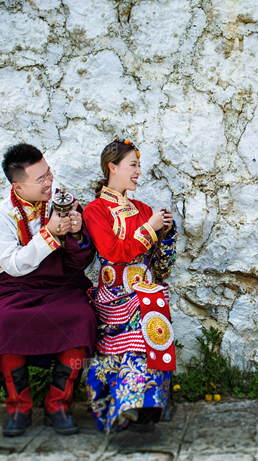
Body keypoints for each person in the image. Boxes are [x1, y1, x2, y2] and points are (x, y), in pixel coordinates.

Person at [0, 144, 96, 436]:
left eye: (49, 173)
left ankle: (58, 405)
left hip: (62, 286)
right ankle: (19, 406)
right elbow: (14, 266)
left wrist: (77, 233)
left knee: (82, 316)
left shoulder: (63, 204)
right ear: (18, 185)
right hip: (16, 289)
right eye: (40, 179)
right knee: (4, 322)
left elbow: (82, 260)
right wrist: (49, 233)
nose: (49, 182)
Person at [83, 139, 177, 433]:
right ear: (113, 167)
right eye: (133, 165)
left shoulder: (143, 208)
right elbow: (114, 252)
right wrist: (150, 228)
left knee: (151, 315)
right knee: (137, 326)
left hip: (145, 296)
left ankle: (148, 405)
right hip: (114, 298)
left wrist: (168, 235)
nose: (138, 171)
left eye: (139, 165)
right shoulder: (95, 211)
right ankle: (133, 406)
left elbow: (161, 267)